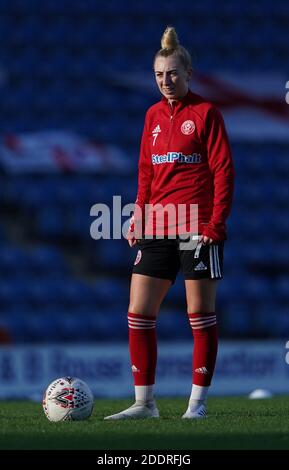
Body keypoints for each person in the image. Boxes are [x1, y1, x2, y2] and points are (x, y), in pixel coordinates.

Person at [104, 26, 234, 420]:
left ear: (189, 74)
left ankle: (197, 405)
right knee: (138, 312)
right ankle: (145, 404)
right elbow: (146, 170)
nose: (166, 81)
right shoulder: (152, 116)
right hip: (159, 224)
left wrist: (215, 224)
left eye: (173, 73)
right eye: (159, 75)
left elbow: (224, 171)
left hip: (197, 226)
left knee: (200, 314)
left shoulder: (206, 113)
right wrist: (138, 216)